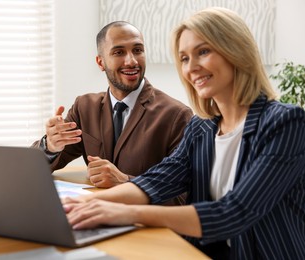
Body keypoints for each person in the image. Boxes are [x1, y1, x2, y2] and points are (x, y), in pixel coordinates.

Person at [64, 7, 305, 259]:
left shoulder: (284, 122)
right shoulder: (201, 128)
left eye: (202, 52)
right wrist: (82, 205)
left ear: (236, 51)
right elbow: (155, 182)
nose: (191, 67)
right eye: (184, 58)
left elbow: (235, 212)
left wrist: (126, 212)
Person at [33, 21, 193, 196]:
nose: (131, 61)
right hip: (94, 213)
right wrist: (50, 146)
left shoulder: (177, 115)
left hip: (145, 220)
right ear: (100, 62)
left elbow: (184, 195)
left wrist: (126, 181)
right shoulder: (84, 108)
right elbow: (31, 169)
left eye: (138, 50)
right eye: (119, 52)